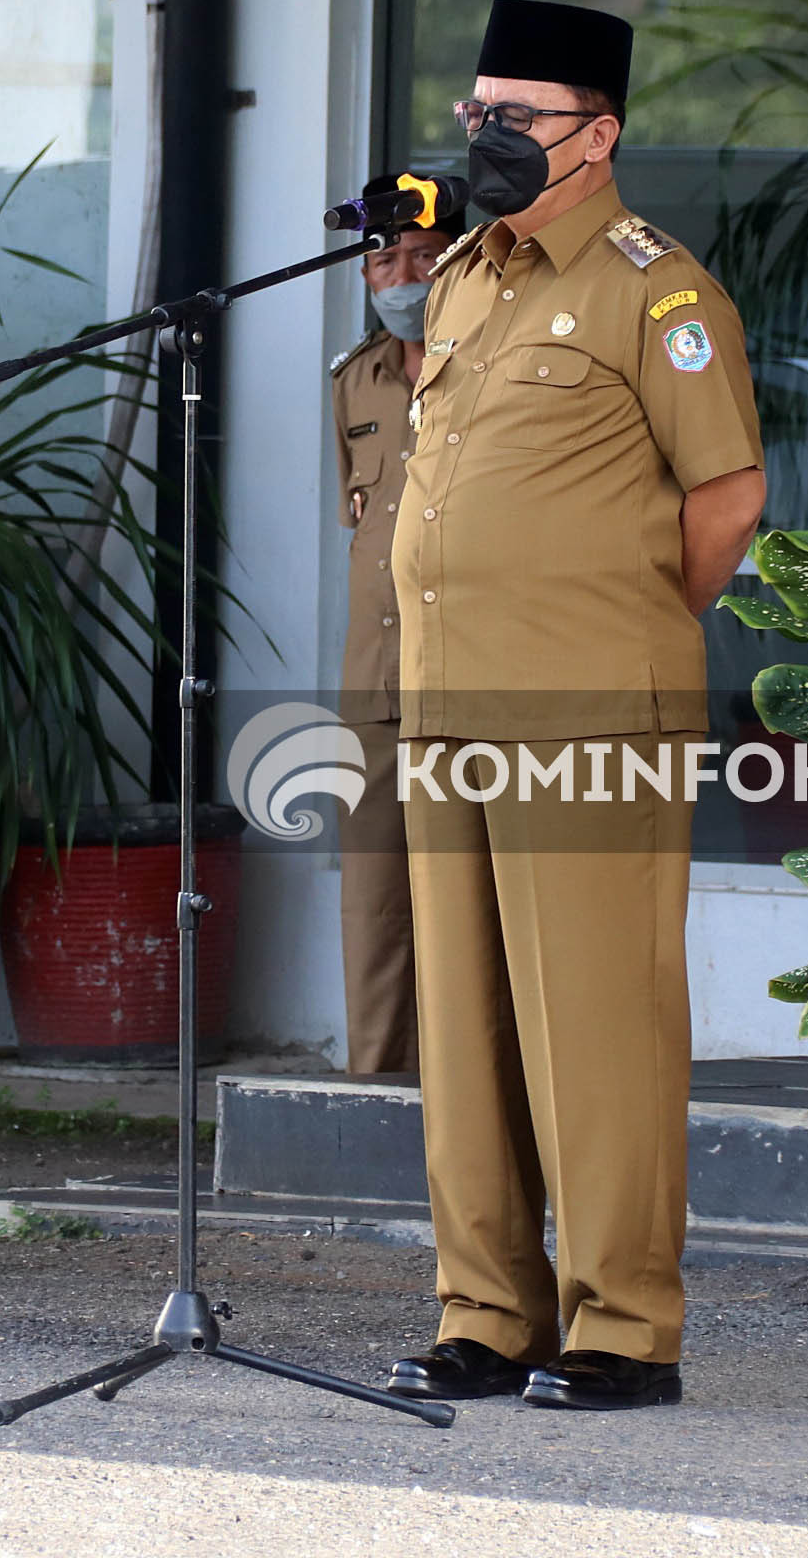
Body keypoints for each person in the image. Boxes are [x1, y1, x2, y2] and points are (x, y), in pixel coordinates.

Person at [383, 0, 767, 1411]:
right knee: (469, 1024)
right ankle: (488, 1310)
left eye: (519, 118)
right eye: (476, 110)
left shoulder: (658, 291)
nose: (486, 138)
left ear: (597, 138)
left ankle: (623, 1325)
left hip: (589, 712)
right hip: (448, 702)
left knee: (595, 1023)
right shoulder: (465, 276)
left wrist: (620, 621)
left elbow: (726, 500)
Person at [328, 181, 459, 1077]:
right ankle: (373, 1093)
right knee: (373, 903)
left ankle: (472, 1110)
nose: (402, 274)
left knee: (466, 909)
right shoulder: (354, 382)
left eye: (423, 254)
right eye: (383, 260)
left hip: (473, 683)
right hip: (375, 681)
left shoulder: (496, 365)